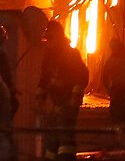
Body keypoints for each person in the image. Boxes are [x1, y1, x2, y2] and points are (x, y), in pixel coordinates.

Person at [36, 20, 88, 161]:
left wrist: (74, 98)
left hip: (68, 103)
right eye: (48, 39)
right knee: (51, 138)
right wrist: (40, 97)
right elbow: (44, 78)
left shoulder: (72, 54)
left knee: (65, 138)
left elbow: (82, 77)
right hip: (53, 103)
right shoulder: (48, 56)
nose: (49, 42)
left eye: (51, 38)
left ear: (59, 36)